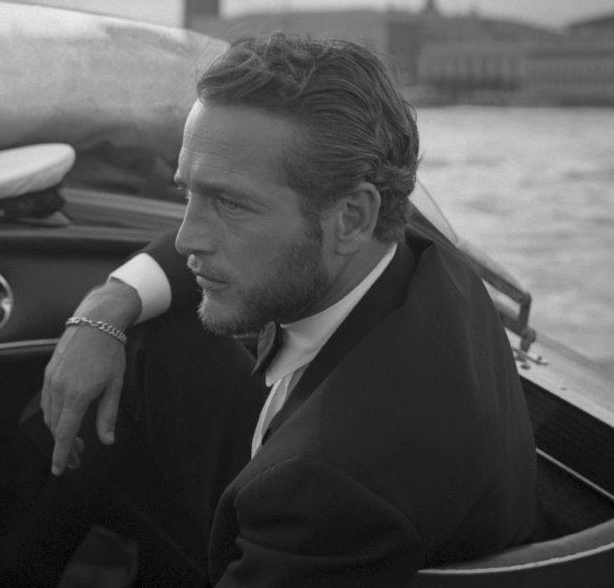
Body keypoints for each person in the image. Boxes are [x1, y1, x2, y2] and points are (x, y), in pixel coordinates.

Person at [31, 34, 537, 586]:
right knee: (149, 334)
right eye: (188, 194)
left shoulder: (334, 489)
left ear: (350, 217)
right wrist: (108, 305)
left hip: (298, 525)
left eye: (229, 203)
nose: (184, 238)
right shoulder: (417, 251)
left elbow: (319, 494)